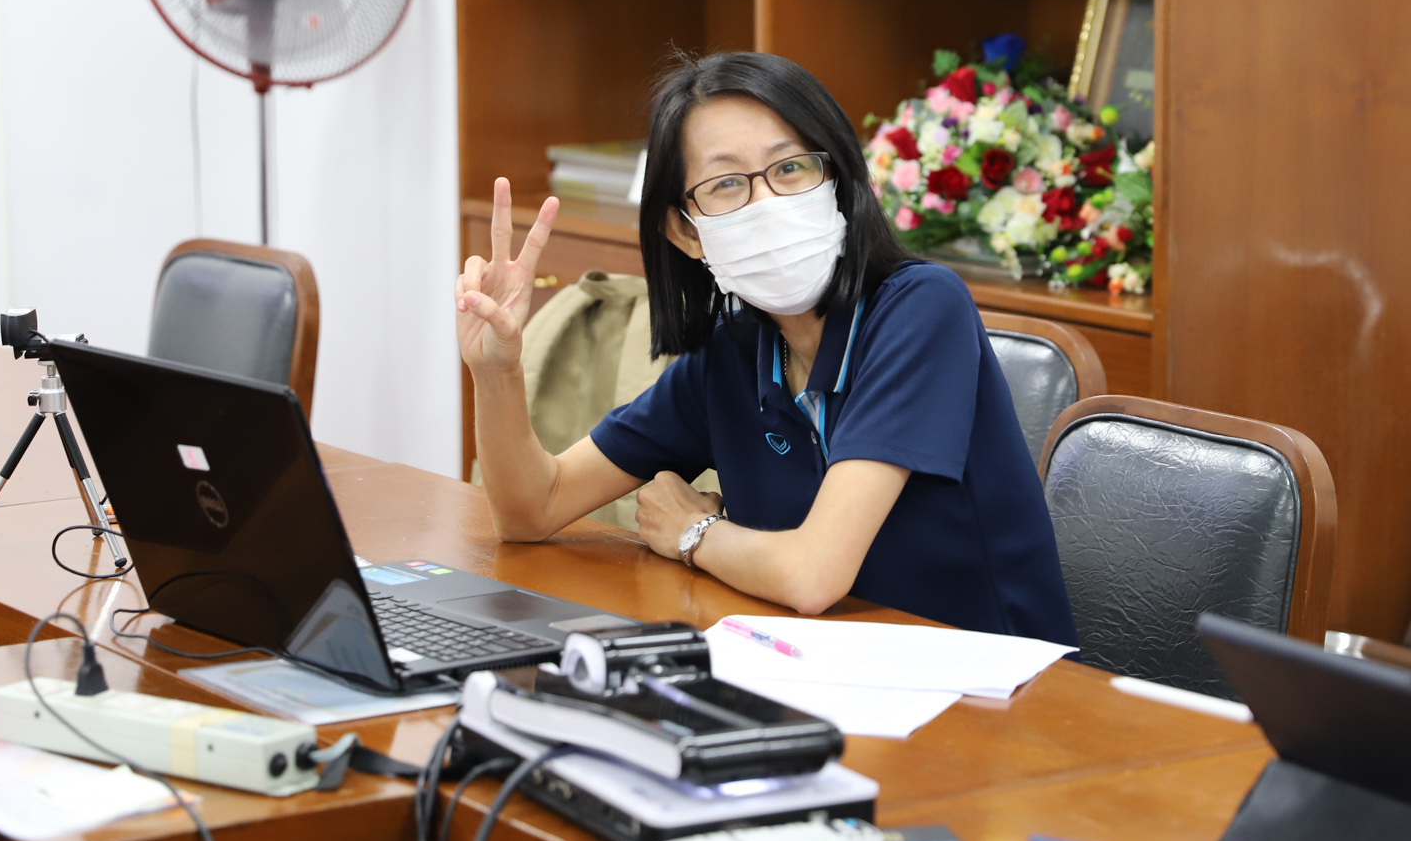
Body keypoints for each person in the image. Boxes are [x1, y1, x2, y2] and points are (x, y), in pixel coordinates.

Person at [455, 51, 1076, 644]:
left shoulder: (922, 308)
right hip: (819, 664)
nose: (768, 203)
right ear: (685, 231)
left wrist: (694, 531)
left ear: (837, 178)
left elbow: (813, 576)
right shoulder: (732, 351)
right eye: (727, 183)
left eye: (790, 168)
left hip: (998, 687)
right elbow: (532, 510)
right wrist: (496, 371)